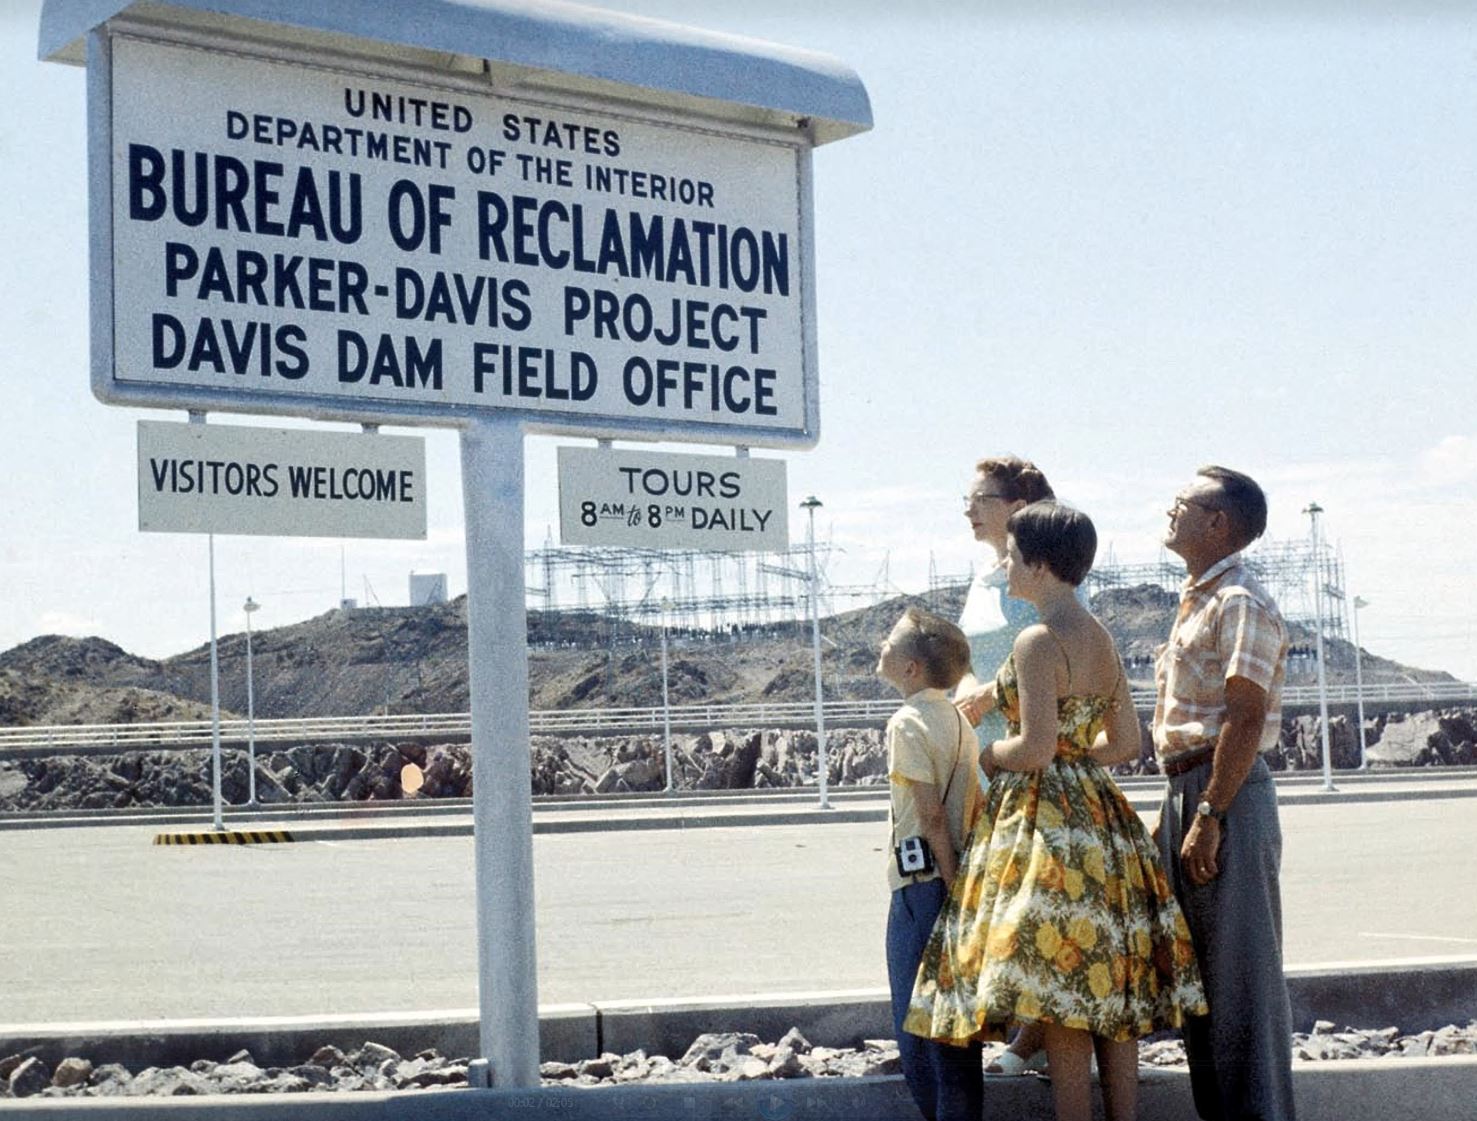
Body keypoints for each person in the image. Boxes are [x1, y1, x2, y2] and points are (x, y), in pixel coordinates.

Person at [906, 502, 1207, 1121]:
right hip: (1103, 822)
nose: (1007, 567)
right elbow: (1126, 744)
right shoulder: (1100, 637)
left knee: (1061, 993)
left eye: (1014, 557)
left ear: (1040, 566)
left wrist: (988, 754)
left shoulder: (1037, 640)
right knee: (1112, 989)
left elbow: (1035, 749)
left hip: (1045, 824)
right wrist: (1077, 756)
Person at [1153, 467, 1295, 1121]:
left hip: (1223, 792)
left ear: (1217, 522)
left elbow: (1244, 715)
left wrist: (1209, 812)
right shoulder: (1199, 598)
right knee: (1201, 993)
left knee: (1241, 992)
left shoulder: (1239, 600)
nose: (1170, 509)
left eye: (1182, 502)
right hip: (1189, 790)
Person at [953, 455, 1056, 1075]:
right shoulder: (985, 576)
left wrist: (996, 691)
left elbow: (1064, 645)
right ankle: (1017, 1024)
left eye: (980, 499)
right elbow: (972, 653)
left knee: (1034, 894)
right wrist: (970, 683)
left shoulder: (1048, 569)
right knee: (999, 894)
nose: (968, 510)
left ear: (1017, 505)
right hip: (984, 754)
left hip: (1030, 748)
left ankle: (1033, 1036)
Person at [878, 606, 984, 1121]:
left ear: (911, 668)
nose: (882, 646)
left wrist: (949, 883)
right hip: (956, 878)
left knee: (916, 1026)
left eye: (890, 642)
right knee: (955, 1027)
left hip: (923, 885)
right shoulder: (960, 721)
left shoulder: (906, 724)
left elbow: (932, 816)